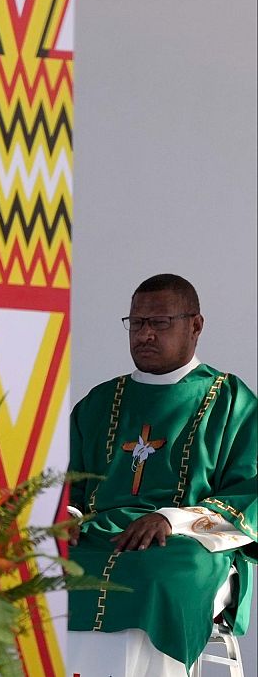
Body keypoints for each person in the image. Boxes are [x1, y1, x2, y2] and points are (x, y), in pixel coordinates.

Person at [66, 274, 256, 677]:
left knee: (157, 576)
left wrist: (171, 517)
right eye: (136, 324)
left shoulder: (231, 400)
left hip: (188, 541)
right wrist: (64, 514)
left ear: (196, 325)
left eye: (160, 323)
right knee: (41, 567)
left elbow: (250, 492)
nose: (145, 335)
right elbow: (66, 483)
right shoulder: (99, 402)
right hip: (102, 533)